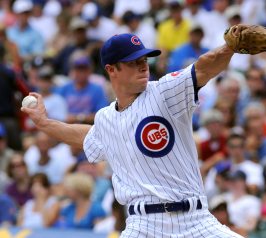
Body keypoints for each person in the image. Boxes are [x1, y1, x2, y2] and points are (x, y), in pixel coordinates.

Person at [22, 27, 254, 237]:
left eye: (144, 59)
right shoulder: (106, 119)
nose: (143, 65)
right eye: (133, 61)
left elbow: (203, 68)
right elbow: (85, 136)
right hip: (143, 226)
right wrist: (44, 123)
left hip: (196, 220)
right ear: (112, 69)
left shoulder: (164, 92)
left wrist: (229, 48)